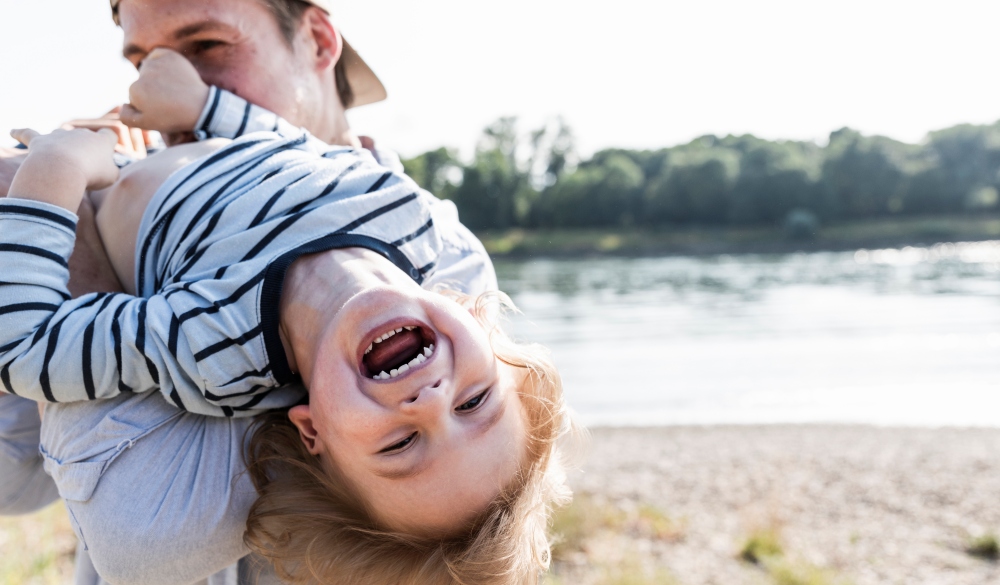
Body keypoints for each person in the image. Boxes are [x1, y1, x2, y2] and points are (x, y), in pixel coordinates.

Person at [0, 1, 572, 583]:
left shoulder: (217, 348)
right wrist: (205, 110)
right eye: (142, 60)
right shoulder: (403, 217)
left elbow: (138, 534)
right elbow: (14, 471)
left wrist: (49, 184)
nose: (154, 84)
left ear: (321, 42)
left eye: (206, 46)